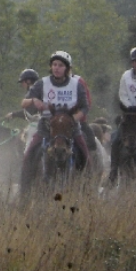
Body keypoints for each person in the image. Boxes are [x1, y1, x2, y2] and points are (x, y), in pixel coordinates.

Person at [20, 51, 93, 190]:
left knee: (86, 155)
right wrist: (34, 100)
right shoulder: (42, 83)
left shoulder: (76, 84)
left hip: (70, 127)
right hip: (46, 126)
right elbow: (23, 103)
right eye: (54, 65)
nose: (56, 68)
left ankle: (88, 191)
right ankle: (24, 193)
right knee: (28, 155)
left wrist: (72, 119)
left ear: (67, 68)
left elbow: (85, 107)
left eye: (60, 65)